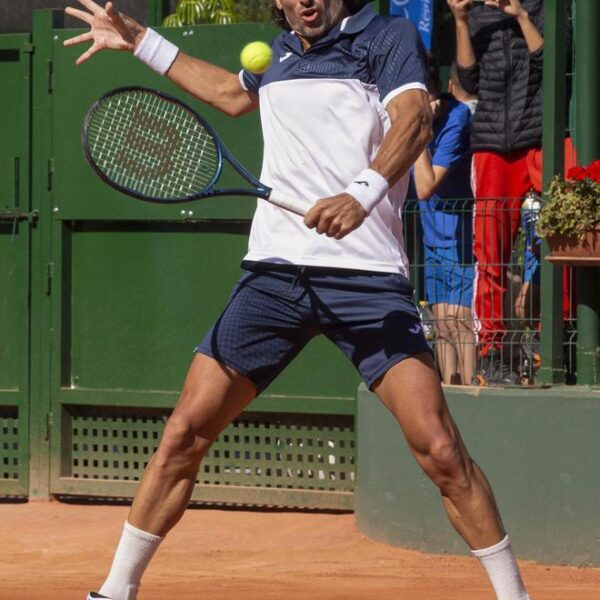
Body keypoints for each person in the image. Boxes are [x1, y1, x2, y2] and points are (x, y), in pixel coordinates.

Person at [65, 1, 531, 599]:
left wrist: (359, 195)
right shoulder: (279, 54)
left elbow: (412, 119)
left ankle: (514, 596)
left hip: (365, 280)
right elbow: (231, 95)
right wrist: (141, 41)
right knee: (184, 432)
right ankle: (115, 590)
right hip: (275, 279)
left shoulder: (385, 38)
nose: (307, 0)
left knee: (441, 450)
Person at [447, 0, 544, 385]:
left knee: (567, 244)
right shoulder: (477, 15)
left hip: (540, 138)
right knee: (491, 255)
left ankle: (552, 343)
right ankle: (494, 352)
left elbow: (548, 63)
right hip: (490, 146)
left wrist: (520, 15)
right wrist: (460, 18)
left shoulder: (543, 8)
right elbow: (468, 83)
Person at [412, 54, 476, 385]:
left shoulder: (457, 117)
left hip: (462, 235)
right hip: (430, 235)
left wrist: (420, 127)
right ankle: (449, 391)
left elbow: (427, 185)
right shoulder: (403, 114)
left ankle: (469, 389)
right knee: (440, 320)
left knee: (459, 318)